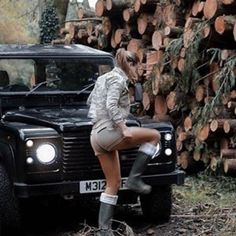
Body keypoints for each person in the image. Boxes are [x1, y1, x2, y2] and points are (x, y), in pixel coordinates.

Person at [87, 48, 161, 236]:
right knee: (154, 135)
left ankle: (104, 231)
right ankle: (135, 178)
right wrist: (123, 128)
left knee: (113, 183)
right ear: (131, 65)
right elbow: (111, 105)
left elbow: (91, 102)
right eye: (138, 66)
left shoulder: (104, 78)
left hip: (95, 136)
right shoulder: (119, 79)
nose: (140, 71)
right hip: (108, 132)